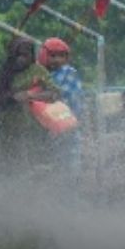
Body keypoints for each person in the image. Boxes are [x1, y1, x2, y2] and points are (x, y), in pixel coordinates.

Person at [0, 36, 61, 177]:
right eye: (17, 55)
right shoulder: (5, 73)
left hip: (36, 130)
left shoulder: (38, 71)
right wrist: (13, 97)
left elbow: (54, 93)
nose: (21, 59)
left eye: (25, 55)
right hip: (11, 131)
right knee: (12, 170)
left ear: (32, 56)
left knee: (37, 170)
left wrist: (31, 96)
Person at [37, 37, 85, 179]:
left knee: (67, 163)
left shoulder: (67, 72)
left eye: (61, 56)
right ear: (44, 56)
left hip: (66, 124)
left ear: (67, 58)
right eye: (52, 56)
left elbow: (56, 95)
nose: (57, 60)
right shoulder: (41, 74)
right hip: (50, 126)